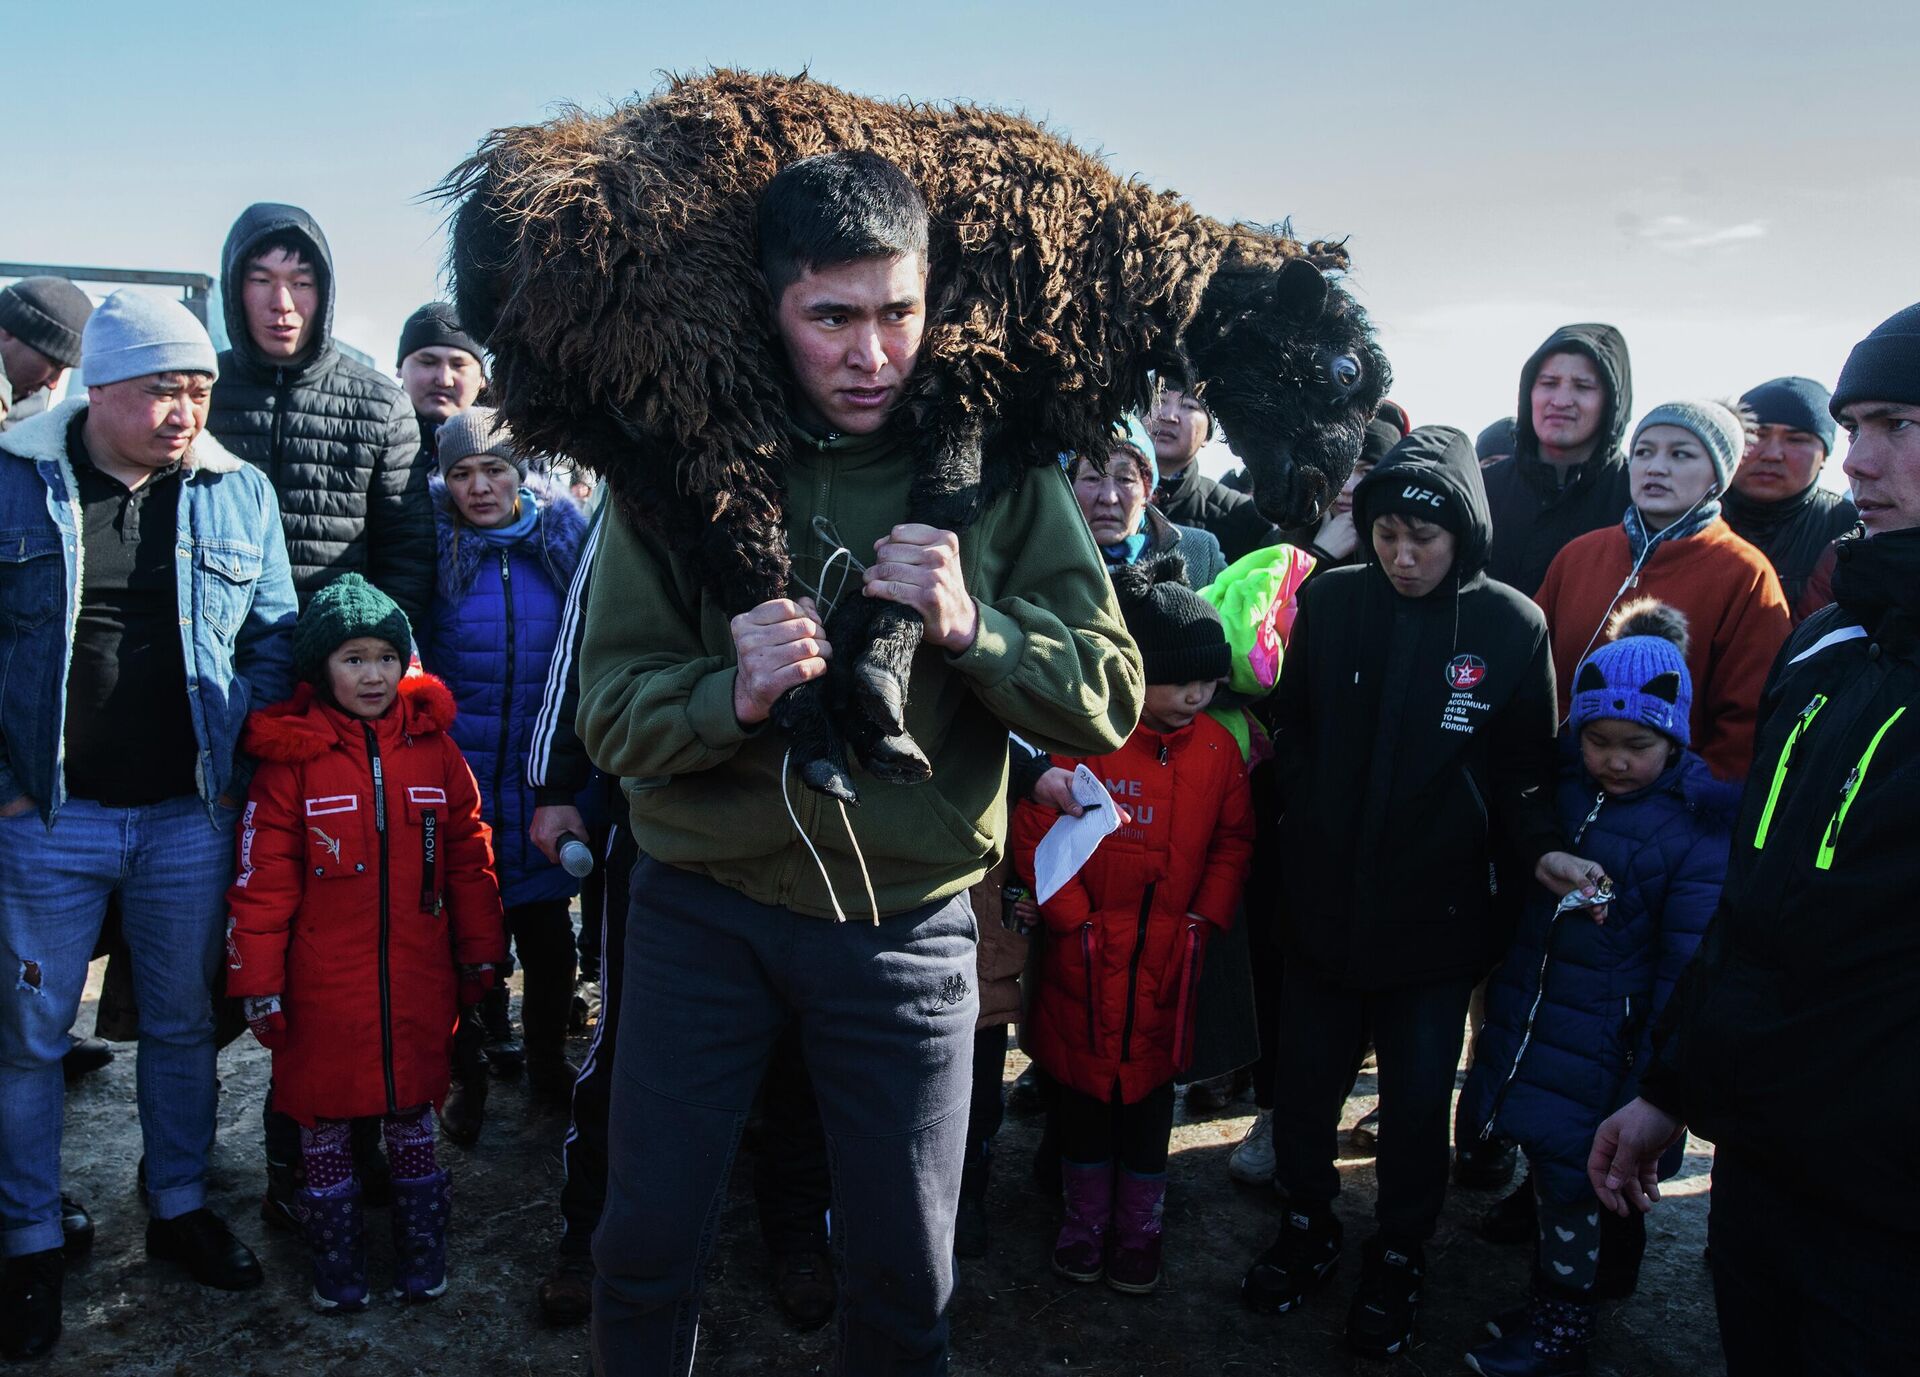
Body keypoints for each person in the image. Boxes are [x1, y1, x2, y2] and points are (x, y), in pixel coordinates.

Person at [577, 150, 1141, 1375]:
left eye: (899, 313)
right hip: (700, 914)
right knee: (646, 1245)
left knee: (905, 1275)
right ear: (771, 307)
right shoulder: (676, 470)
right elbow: (608, 720)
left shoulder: (1005, 475)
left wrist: (977, 629)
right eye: (831, 317)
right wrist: (728, 694)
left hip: (910, 926)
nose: (873, 355)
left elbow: (1108, 700)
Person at [1590, 302, 1920, 1375]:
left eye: (1900, 426)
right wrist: (1669, 1086)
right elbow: (1754, 901)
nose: (1860, 460)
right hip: (1766, 1169)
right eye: (1857, 425)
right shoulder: (1830, 645)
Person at [1239, 426, 1589, 1359]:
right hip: (1321, 901)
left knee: (1418, 1098)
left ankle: (1399, 1250)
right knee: (1305, 1088)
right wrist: (1306, 809)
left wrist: (1542, 852)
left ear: (1463, 536)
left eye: (1423, 539)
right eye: (1386, 534)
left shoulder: (1511, 624)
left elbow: (1524, 770)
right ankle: (1307, 1222)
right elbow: (1292, 719)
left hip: (1438, 916)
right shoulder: (1332, 599)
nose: (1402, 555)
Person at [0, 291, 297, 1363]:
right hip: (49, 820)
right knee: (28, 1037)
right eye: (163, 389)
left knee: (180, 1023)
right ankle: (28, 1237)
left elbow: (275, 634)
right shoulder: (13, 479)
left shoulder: (237, 489)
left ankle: (178, 1204)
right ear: (98, 388)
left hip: (188, 818)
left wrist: (235, 758)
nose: (186, 412)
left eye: (198, 389)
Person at [1459, 601, 1735, 1376]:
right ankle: (1555, 1304)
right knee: (1554, 1178)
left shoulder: (1693, 833)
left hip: (1606, 1053)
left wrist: (1652, 1077)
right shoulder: (1568, 800)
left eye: (1636, 745)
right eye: (1597, 740)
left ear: (1673, 736)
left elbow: (1684, 970)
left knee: (1575, 1188)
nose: (1614, 760)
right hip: (1541, 1028)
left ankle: (1560, 1330)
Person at [225, 575, 507, 1311]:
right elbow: (261, 884)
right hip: (323, 994)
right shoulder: (290, 764)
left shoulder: (436, 752)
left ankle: (421, 1252)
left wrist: (481, 950)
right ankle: (337, 1266)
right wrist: (259, 981)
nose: (374, 674)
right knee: (321, 1127)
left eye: (387, 656)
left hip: (418, 984)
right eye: (354, 658)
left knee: (413, 1117)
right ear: (321, 668)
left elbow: (469, 857)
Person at [1013, 556, 1254, 1294]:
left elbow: (1233, 840)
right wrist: (1073, 922)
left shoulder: (1217, 750)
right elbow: (1034, 825)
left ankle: (1140, 1226)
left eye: (1209, 682)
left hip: (1170, 956)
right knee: (1083, 1096)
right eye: (1180, 681)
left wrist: (1203, 918)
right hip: (1084, 958)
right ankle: (1084, 1222)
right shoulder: (1089, 739)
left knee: (1153, 1099)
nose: (1197, 696)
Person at [419, 407, 588, 1103]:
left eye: (494, 468)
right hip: (460, 781)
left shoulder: (563, 545)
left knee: (549, 939)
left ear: (520, 472)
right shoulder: (433, 549)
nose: (480, 487)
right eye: (462, 473)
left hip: (543, 780)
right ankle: (470, 1067)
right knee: (463, 936)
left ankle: (548, 1060)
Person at [1535, 400, 1792, 780]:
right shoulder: (1578, 555)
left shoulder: (1746, 573)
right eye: (1643, 452)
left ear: (1719, 475)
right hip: (1555, 781)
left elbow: (1749, 718)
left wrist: (1691, 796)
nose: (1655, 467)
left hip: (1675, 800)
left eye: (1680, 454)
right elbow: (1534, 674)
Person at [206, 203, 431, 623]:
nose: (282, 303)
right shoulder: (200, 392)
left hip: (339, 652)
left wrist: (376, 648)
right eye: (261, 280)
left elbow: (407, 555)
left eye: (301, 282)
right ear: (234, 288)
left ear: (324, 291)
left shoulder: (381, 405)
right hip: (219, 649)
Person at [1483, 325, 1635, 597]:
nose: (1561, 401)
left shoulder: (1636, 501)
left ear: (1613, 402)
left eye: (1583, 386)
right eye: (1549, 383)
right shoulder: (1484, 489)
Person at [1723, 376, 1857, 622]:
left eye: (1796, 439)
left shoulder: (1851, 530)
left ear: (1824, 455)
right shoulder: (1685, 517)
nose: (1772, 454)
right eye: (1757, 434)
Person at [1070, 415, 1225, 584]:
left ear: (1147, 491)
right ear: (1069, 487)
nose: (1109, 498)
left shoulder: (1200, 552)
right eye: (1092, 478)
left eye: (1125, 479)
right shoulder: (1048, 557)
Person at [1148, 378, 1280, 562]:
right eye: (1160, 400)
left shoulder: (1243, 517)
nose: (1169, 416)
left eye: (1188, 406)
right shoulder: (1107, 495)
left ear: (1208, 434)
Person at [396, 302, 488, 468]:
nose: (444, 380)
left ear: (482, 378)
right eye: (428, 362)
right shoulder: (364, 434)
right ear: (400, 369)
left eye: (458, 365)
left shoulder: (517, 444)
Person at [0, 276, 93, 431]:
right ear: (7, 332)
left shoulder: (35, 419)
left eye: (63, 369)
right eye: (54, 363)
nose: (53, 384)